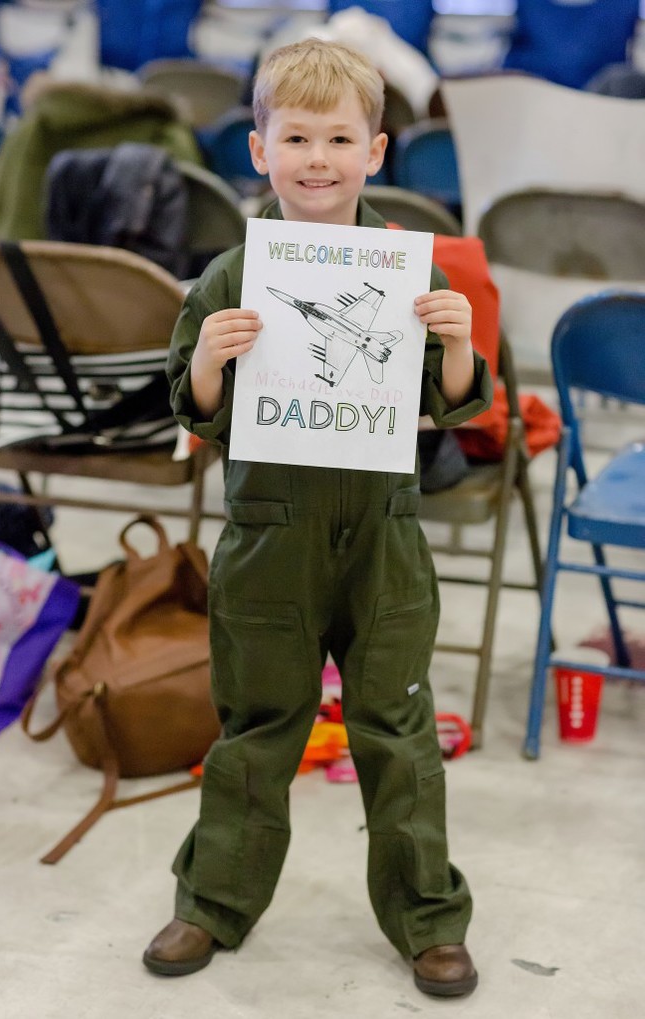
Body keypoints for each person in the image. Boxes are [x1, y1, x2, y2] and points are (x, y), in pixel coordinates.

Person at [143, 37, 493, 999]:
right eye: (294, 136)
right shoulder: (228, 278)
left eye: (341, 137)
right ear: (259, 149)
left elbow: (455, 404)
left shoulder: (414, 280)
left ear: (376, 152)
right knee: (257, 729)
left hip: (383, 534)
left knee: (396, 728)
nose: (318, 157)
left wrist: (455, 345)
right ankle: (210, 902)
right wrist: (211, 356)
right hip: (269, 538)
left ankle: (429, 919)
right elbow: (192, 408)